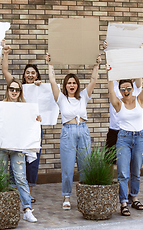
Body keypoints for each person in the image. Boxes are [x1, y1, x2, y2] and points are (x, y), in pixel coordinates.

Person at [46, 53, 101, 210]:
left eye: (74, 83)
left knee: (85, 166)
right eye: (69, 83)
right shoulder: (61, 98)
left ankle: (85, 195)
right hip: (68, 132)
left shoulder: (83, 96)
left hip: (83, 131)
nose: (72, 85)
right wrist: (50, 64)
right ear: (65, 85)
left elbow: (93, 80)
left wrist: (96, 64)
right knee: (68, 167)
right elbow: (52, 81)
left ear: (77, 85)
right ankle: (67, 196)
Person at [0, 78, 40, 223]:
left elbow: (30, 125)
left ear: (20, 91)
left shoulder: (25, 107)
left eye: (17, 90)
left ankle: (27, 209)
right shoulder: (0, 106)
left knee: (21, 178)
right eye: (11, 89)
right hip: (1, 147)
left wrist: (36, 120)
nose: (14, 92)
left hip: (17, 148)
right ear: (7, 90)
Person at [107, 63, 143, 216]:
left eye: (128, 88)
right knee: (122, 172)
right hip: (124, 138)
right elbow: (111, 91)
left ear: (133, 88)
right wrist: (109, 75)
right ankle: (123, 202)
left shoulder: (140, 100)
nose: (126, 91)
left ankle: (135, 198)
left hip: (139, 137)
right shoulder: (118, 104)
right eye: (122, 89)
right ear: (120, 91)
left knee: (136, 171)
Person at [1, 40, 43, 203]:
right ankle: (14, 190)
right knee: (16, 158)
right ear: (24, 75)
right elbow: (5, 71)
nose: (30, 75)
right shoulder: (18, 87)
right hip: (18, 129)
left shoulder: (40, 87)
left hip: (34, 128)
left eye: (33, 73)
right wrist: (6, 54)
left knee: (33, 160)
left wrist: (41, 86)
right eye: (28, 73)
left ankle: (29, 192)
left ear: (37, 75)